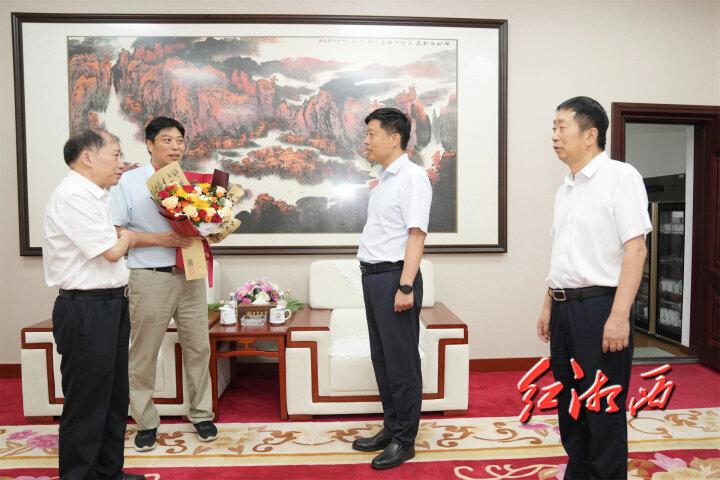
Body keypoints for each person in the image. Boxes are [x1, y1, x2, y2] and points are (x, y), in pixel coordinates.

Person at [537, 96, 651, 479]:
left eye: (561, 127)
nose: (554, 136)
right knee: (570, 405)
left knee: (603, 409)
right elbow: (563, 255)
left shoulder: (621, 177)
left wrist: (619, 316)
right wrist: (548, 304)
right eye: (553, 127)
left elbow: (636, 249)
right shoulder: (566, 188)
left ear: (590, 134)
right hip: (564, 310)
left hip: (601, 309)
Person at [109, 117, 217, 451]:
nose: (175, 147)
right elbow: (115, 231)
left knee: (198, 347)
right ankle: (145, 421)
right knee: (145, 352)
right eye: (167, 140)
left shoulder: (192, 182)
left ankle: (201, 414)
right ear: (149, 144)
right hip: (149, 277)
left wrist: (214, 226)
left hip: (191, 274)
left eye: (179, 140)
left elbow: (204, 225)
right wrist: (160, 239)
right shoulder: (130, 181)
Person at [43, 129, 144, 480]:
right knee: (87, 400)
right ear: (88, 157)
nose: (121, 164)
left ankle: (108, 472)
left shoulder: (95, 195)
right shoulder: (73, 195)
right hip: (86, 309)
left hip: (111, 304)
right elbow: (113, 250)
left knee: (114, 395)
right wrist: (128, 236)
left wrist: (123, 237)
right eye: (115, 155)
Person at [351, 107, 432, 470]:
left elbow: (416, 235)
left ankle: (405, 440)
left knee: (402, 364)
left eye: (372, 133)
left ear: (394, 138)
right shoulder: (385, 179)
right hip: (373, 278)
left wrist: (405, 286)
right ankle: (392, 427)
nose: (366, 140)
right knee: (382, 359)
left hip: (395, 279)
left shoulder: (412, 177)